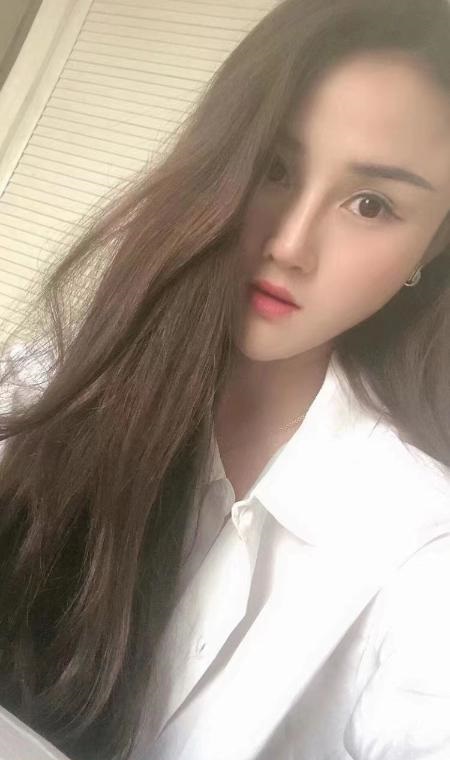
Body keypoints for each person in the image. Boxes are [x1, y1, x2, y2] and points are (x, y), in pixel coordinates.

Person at [0, 0, 449, 758]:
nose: (290, 244)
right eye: (274, 167)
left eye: (371, 205)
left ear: (428, 254)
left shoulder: (421, 549)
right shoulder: (52, 383)